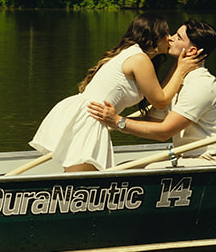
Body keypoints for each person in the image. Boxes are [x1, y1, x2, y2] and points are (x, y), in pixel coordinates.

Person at [30, 16, 202, 174]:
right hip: (91, 117)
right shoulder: (139, 59)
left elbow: (159, 92)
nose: (170, 38)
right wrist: (181, 70)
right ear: (153, 38)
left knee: (81, 178)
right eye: (166, 33)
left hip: (87, 114)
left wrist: (177, 66)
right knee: (81, 182)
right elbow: (161, 101)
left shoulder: (134, 54)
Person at [87, 19, 216, 164]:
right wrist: (110, 120)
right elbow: (153, 121)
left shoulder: (201, 84)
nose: (170, 38)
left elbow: (164, 132)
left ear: (192, 51)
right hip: (186, 158)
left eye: (178, 37)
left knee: (128, 174)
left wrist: (118, 121)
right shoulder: (175, 81)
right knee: (124, 166)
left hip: (210, 160)